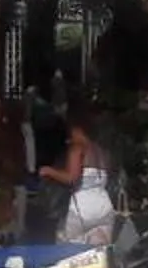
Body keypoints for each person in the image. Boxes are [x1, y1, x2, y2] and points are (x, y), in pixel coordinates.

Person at [38, 105, 117, 248]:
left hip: (82, 207)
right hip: (104, 206)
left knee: (68, 252)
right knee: (99, 254)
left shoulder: (77, 148)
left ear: (77, 129)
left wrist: (49, 171)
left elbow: (72, 178)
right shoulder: (102, 152)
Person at [0, 100, 30, 244]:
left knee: (5, 224)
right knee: (15, 227)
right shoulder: (21, 133)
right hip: (9, 182)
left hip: (5, 182)